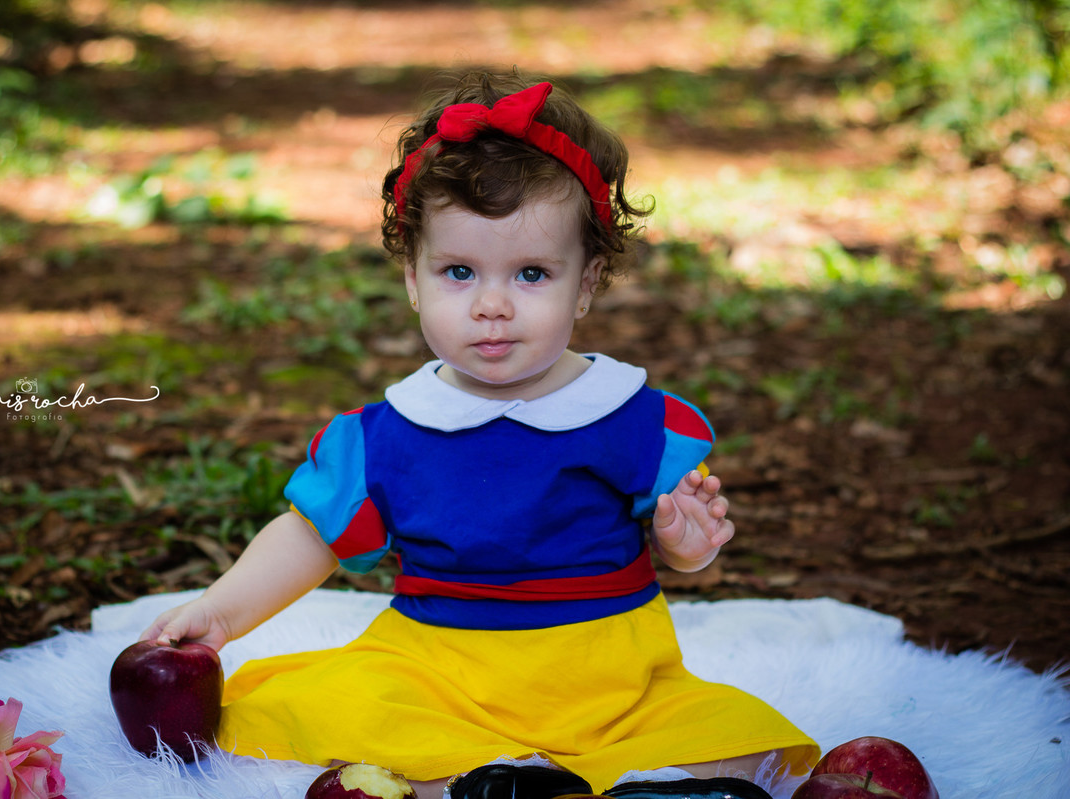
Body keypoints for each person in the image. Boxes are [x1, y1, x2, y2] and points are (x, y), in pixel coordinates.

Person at [140, 70, 819, 799]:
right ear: (412, 279)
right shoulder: (391, 432)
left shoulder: (625, 415)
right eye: (459, 272)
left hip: (606, 674)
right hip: (438, 666)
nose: (492, 305)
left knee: (736, 738)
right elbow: (312, 534)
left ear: (586, 283)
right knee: (320, 711)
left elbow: (678, 540)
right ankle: (487, 785)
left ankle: (617, 782)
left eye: (531, 273)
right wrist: (221, 607)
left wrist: (686, 545)